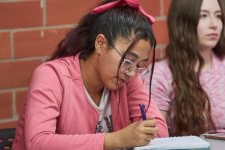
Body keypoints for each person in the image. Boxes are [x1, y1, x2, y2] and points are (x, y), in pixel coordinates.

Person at [12, 0, 169, 149]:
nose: (132, 72)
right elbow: (38, 143)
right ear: (101, 44)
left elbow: (160, 132)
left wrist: (147, 131)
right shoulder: (51, 76)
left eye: (140, 65)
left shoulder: (128, 79)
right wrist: (117, 139)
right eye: (128, 61)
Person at [143, 0, 225, 136]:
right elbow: (155, 140)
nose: (214, 24)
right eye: (203, 16)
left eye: (218, 16)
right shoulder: (160, 74)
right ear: (183, 21)